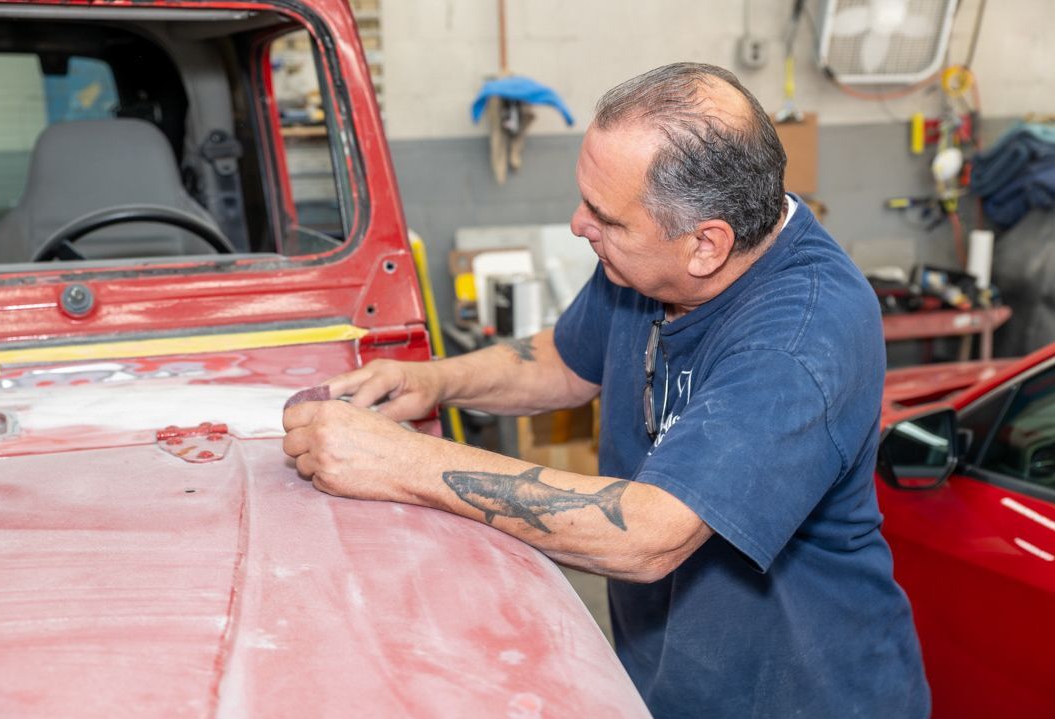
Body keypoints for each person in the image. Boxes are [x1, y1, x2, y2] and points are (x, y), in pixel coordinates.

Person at [283, 63, 930, 718]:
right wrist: (430, 380)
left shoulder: (800, 338)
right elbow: (565, 361)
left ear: (706, 244)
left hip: (804, 699)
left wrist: (398, 461)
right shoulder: (648, 264)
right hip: (665, 680)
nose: (577, 223)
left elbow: (647, 533)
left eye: (603, 215)